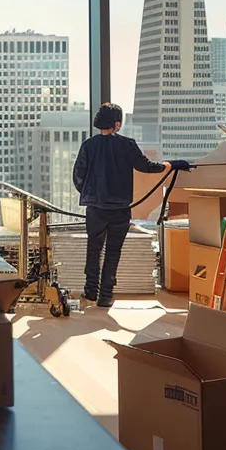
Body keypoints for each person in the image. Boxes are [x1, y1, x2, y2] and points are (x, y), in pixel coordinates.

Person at [71, 103, 190, 308]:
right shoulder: (127, 145)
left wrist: (91, 194)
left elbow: (78, 176)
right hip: (120, 208)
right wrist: (171, 164)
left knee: (93, 250)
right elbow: (147, 167)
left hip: (95, 208)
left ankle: (90, 293)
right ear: (117, 124)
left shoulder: (88, 145)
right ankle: (105, 297)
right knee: (113, 252)